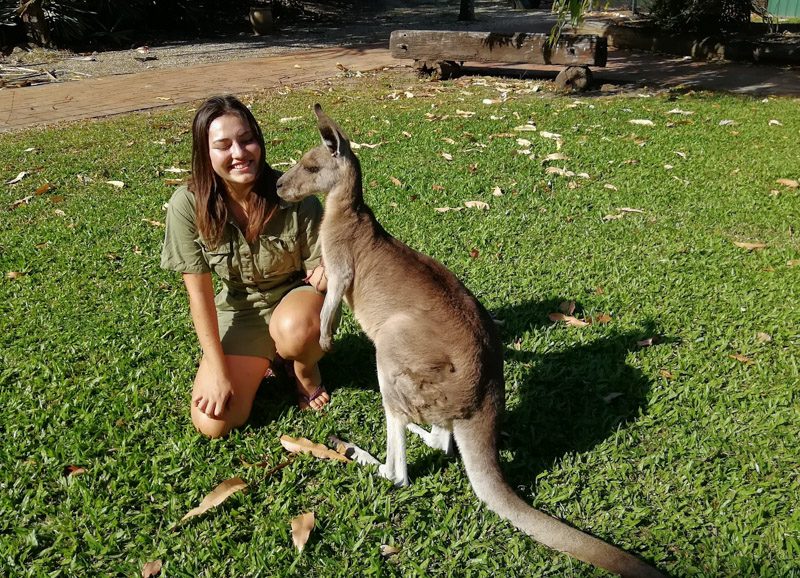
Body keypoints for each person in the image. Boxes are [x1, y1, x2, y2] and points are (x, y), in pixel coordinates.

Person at [161, 95, 331, 439]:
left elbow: (320, 275)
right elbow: (200, 296)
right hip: (240, 310)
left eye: (247, 139)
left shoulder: (295, 196)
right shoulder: (188, 205)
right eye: (223, 145)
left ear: (259, 141)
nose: (239, 153)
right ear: (205, 155)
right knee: (214, 423)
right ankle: (269, 359)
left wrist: (331, 269)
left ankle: (303, 369)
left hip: (295, 301)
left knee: (297, 329)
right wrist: (218, 368)